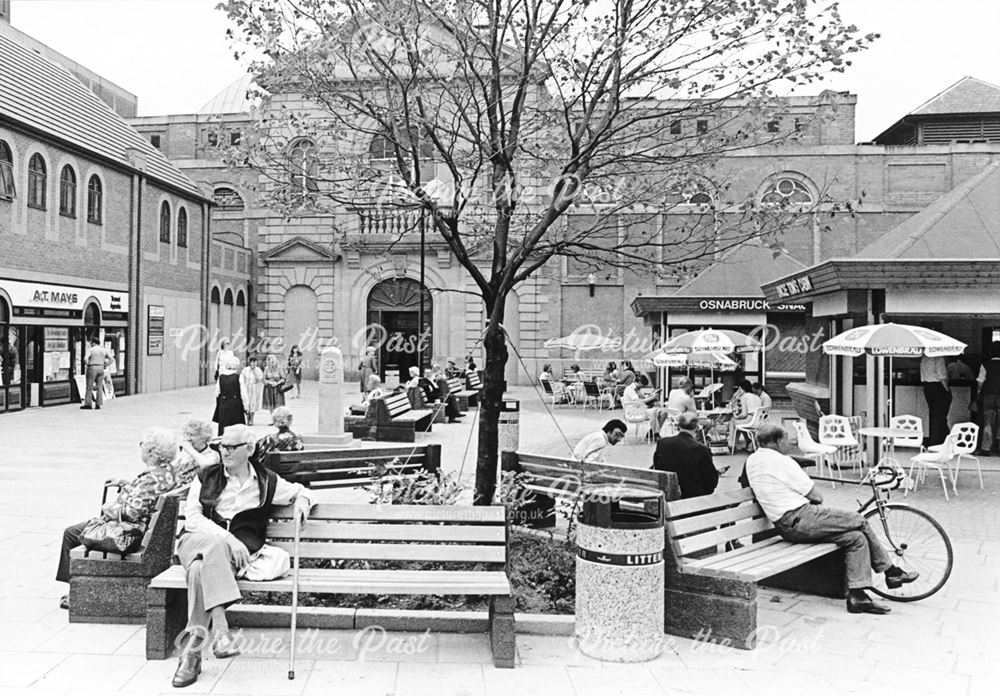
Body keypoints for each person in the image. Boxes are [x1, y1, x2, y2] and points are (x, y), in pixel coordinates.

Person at [170, 424, 314, 687]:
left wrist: (303, 501)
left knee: (199, 571)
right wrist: (228, 539)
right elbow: (192, 519)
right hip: (195, 542)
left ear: (249, 449)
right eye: (221, 446)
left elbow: (300, 491)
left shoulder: (266, 481)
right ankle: (221, 632)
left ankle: (191, 654)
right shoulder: (205, 476)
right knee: (213, 545)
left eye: (231, 447)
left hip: (224, 560)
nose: (224, 451)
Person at [745, 423, 918, 615]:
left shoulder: (752, 460)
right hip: (801, 517)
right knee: (859, 520)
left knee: (856, 538)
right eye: (787, 440)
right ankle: (891, 572)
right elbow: (817, 497)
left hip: (788, 524)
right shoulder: (782, 461)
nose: (790, 444)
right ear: (778, 441)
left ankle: (858, 597)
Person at [57, 428, 193, 610]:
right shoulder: (167, 472)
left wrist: (109, 509)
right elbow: (145, 498)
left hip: (128, 533)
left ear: (152, 452)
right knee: (76, 530)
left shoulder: (151, 478)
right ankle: (75, 589)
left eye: (142, 444)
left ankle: (75, 592)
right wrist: (126, 485)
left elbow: (132, 512)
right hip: (145, 530)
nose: (141, 448)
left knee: (72, 533)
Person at [652, 412, 723, 498]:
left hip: (666, 494)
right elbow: (711, 484)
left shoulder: (662, 443)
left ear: (678, 426)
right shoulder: (702, 450)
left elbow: (657, 467)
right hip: (692, 498)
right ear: (697, 428)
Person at [919, 354, 950, 447]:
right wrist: (947, 389)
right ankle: (938, 441)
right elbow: (942, 376)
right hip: (938, 387)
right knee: (940, 416)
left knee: (934, 415)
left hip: (927, 387)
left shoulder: (924, 358)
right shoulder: (939, 358)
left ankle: (940, 439)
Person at [212, 355, 246, 436]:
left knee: (224, 426)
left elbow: (217, 392)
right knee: (237, 426)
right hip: (236, 404)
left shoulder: (221, 377)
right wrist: (246, 405)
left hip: (224, 404)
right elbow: (243, 393)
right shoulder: (238, 377)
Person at [728, 379, 763, 452]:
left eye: (739, 389)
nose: (739, 391)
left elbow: (744, 414)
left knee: (732, 421)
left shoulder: (744, 397)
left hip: (750, 420)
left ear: (742, 389)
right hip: (758, 421)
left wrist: (736, 416)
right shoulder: (757, 397)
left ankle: (731, 444)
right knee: (739, 424)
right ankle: (747, 442)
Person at [977, 342, 1000, 454]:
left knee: (988, 422)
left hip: (988, 395)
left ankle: (986, 448)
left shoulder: (985, 365)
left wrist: (978, 392)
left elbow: (980, 382)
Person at [81, 337, 111, 410]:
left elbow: (85, 358)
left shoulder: (91, 350)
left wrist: (88, 364)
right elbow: (112, 359)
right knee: (99, 387)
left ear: (93, 343)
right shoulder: (104, 350)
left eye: (91, 343)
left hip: (92, 368)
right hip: (101, 368)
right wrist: (105, 365)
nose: (91, 344)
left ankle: (88, 404)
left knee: (89, 386)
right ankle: (98, 404)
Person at [239, 356, 264, 426]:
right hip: (246, 388)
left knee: (253, 403)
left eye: (255, 362)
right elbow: (241, 378)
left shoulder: (258, 370)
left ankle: (251, 418)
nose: (254, 364)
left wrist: (254, 371)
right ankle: (247, 417)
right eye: (252, 362)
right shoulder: (245, 370)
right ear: (250, 363)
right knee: (246, 402)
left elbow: (260, 379)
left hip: (254, 388)